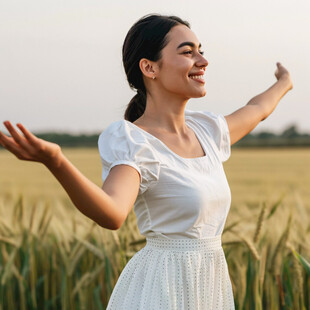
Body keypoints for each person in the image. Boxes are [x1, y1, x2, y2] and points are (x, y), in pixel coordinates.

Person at [0, 13, 293, 310]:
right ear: (149, 67)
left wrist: (284, 82)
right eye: (188, 52)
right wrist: (56, 161)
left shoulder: (207, 132)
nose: (202, 61)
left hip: (210, 288)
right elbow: (113, 213)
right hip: (162, 292)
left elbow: (258, 108)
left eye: (201, 51)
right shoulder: (135, 142)